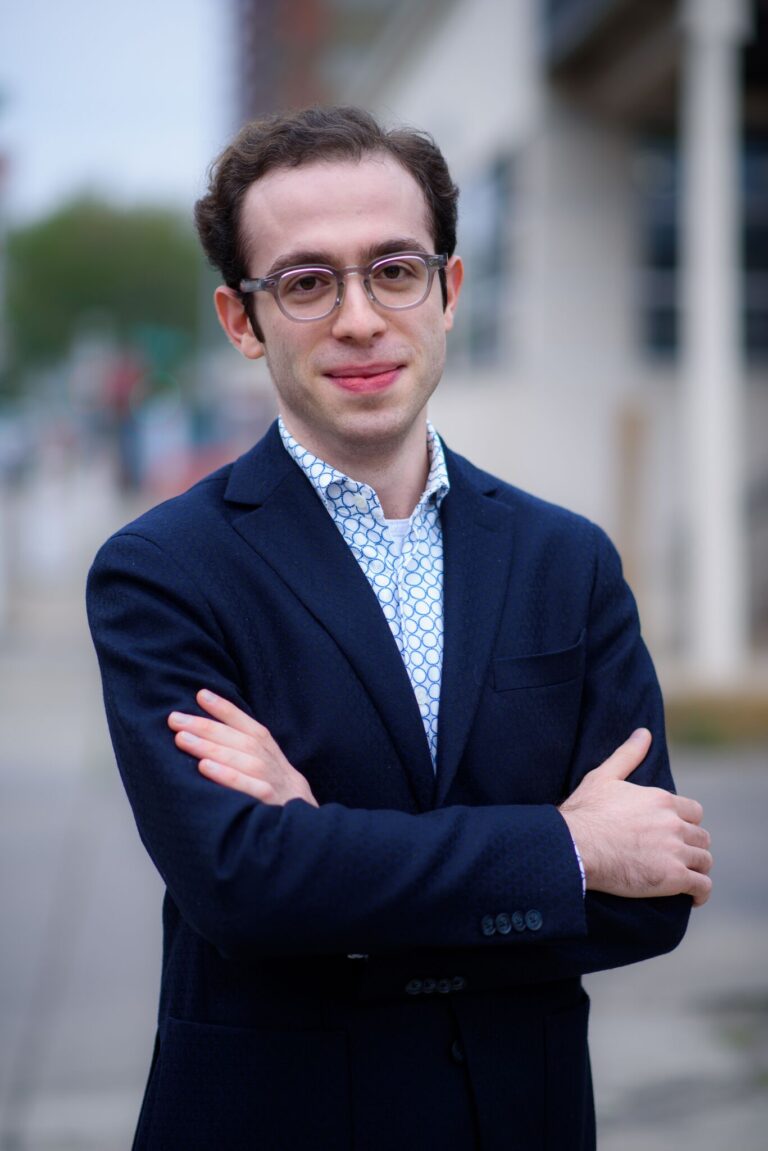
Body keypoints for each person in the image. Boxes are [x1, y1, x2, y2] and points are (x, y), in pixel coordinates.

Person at [86, 105, 712, 1151]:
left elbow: (651, 896)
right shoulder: (163, 572)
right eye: (306, 282)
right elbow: (245, 886)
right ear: (243, 320)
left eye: (394, 270)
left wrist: (328, 857)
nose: (360, 318)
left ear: (449, 289)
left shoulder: (569, 561)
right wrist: (567, 846)